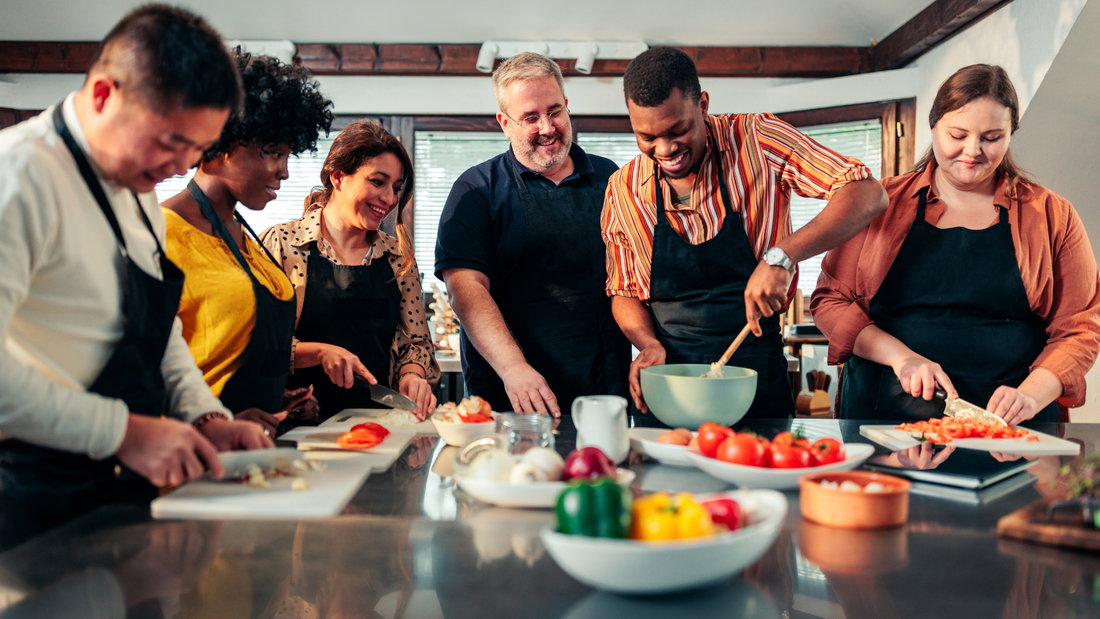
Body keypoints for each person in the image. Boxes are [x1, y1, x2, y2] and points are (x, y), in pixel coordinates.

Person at [0, 4, 273, 546]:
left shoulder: (139, 188)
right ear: (104, 94)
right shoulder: (21, 176)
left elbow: (157, 330)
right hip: (34, 498)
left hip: (126, 491)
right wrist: (122, 432)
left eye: (196, 150)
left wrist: (203, 418)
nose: (178, 167)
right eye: (169, 142)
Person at [602, 47, 888, 423]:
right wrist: (646, 343)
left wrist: (782, 255)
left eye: (678, 130)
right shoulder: (623, 187)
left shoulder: (758, 139)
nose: (665, 149)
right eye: (647, 137)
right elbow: (624, 290)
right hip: (669, 384)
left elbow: (868, 193)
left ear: (703, 104)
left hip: (756, 377)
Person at [811, 64, 1100, 425]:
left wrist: (1030, 395)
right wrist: (901, 357)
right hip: (884, 414)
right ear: (933, 127)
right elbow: (829, 300)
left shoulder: (1052, 214)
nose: (972, 151)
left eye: (992, 137)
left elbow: (1080, 327)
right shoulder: (878, 204)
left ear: (1011, 133)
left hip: (1012, 423)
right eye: (957, 134)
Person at [435, 52, 631, 417]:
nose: (546, 127)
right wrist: (513, 369)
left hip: (604, 387)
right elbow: (465, 289)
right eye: (529, 117)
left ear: (567, 107)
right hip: (514, 392)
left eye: (555, 111)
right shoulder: (477, 190)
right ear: (504, 123)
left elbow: (633, 274)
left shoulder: (611, 179)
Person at [161, 50, 333, 436]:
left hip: (249, 453)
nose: (284, 172)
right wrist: (215, 423)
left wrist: (277, 401)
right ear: (222, 141)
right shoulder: (162, 233)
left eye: (288, 155)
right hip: (193, 457)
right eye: (273, 152)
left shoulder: (247, 237)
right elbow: (146, 368)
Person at [261, 121, 439, 421]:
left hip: (382, 426)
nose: (389, 199)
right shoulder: (282, 245)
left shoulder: (398, 257)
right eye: (378, 182)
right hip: (299, 426)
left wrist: (412, 375)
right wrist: (320, 352)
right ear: (338, 177)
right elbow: (260, 344)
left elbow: (415, 342)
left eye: (396, 188)